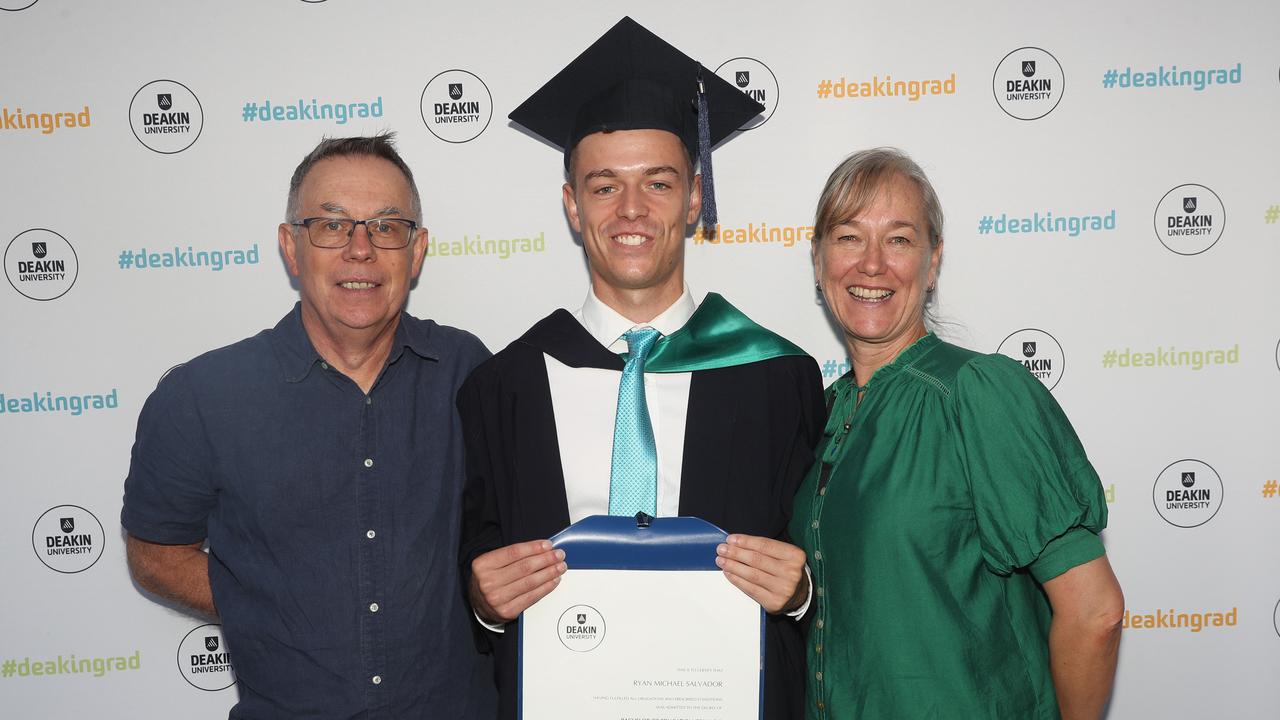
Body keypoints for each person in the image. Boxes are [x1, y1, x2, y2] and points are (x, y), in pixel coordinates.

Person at [457, 17, 825, 720]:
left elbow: (833, 580)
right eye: (603, 187)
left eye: (658, 184)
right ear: (571, 205)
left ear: (693, 198)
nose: (631, 210)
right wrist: (483, 602)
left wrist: (802, 594)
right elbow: (474, 578)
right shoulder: (501, 389)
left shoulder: (779, 380)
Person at [120, 133, 497, 719]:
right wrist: (269, 604)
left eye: (387, 226)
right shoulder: (200, 396)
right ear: (290, 248)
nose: (361, 250)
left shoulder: (470, 372)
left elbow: (503, 531)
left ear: (417, 251)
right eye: (331, 225)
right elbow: (155, 554)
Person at [791, 147, 1124, 719]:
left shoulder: (977, 393)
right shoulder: (822, 414)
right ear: (819, 261)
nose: (872, 264)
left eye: (899, 239)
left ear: (933, 260)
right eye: (848, 237)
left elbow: (1094, 611)